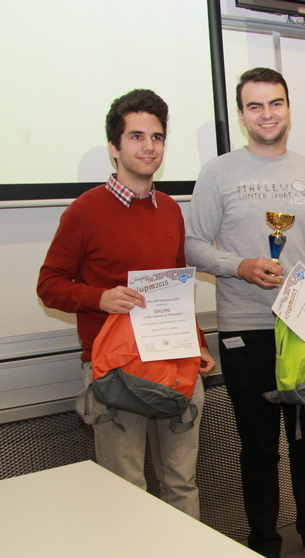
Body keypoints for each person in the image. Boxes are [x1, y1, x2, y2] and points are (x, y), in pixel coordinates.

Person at [184, 67, 305, 558]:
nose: (267, 114)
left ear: (288, 108)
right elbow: (192, 244)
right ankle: (264, 541)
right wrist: (239, 265)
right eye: (255, 106)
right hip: (246, 328)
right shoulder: (218, 173)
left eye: (275, 103)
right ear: (242, 115)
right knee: (258, 445)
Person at [38, 89, 215, 519]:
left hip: (174, 362)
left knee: (181, 483)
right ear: (114, 148)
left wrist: (198, 343)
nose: (148, 146)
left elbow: (175, 284)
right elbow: (49, 286)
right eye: (136, 136)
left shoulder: (170, 209)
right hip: (115, 370)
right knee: (126, 491)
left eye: (157, 137)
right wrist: (100, 297)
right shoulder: (84, 212)